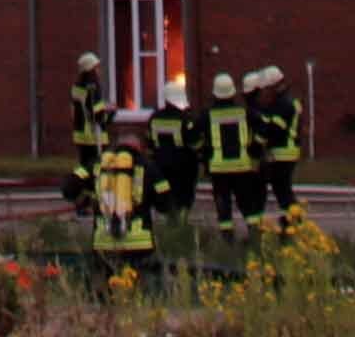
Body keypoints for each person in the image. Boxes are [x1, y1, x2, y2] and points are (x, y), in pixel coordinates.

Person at [202, 60, 260, 230]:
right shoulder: (244, 112)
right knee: (247, 204)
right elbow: (264, 127)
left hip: (219, 169)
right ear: (233, 92)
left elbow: (192, 135)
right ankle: (255, 237)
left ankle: (227, 241)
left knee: (223, 207)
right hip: (242, 167)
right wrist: (254, 150)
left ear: (215, 93)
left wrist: (204, 153)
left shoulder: (207, 115)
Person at [89, 107, 154, 256]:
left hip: (103, 243)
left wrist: (86, 199)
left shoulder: (98, 165)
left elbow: (70, 187)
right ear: (137, 146)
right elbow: (164, 200)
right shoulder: (147, 165)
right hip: (139, 244)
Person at [250, 69, 305, 219]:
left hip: (282, 154)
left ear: (273, 86)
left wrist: (255, 146)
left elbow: (272, 130)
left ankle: (295, 224)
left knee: (282, 192)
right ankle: (293, 224)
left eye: (265, 88)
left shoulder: (282, 104)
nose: (264, 92)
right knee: (282, 191)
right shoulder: (288, 101)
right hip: (287, 152)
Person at [147, 72, 197, 225]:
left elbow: (149, 142)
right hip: (183, 165)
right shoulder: (185, 119)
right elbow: (193, 143)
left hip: (160, 164)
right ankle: (181, 222)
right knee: (184, 196)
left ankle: (170, 219)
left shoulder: (154, 117)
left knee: (167, 195)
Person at [65, 52, 109, 209]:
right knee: (95, 170)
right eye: (97, 67)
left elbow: (76, 109)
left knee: (84, 168)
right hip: (93, 136)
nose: (99, 70)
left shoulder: (77, 86)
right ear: (91, 68)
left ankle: (81, 198)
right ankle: (89, 201)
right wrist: (110, 113)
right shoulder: (93, 87)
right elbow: (97, 114)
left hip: (80, 135)